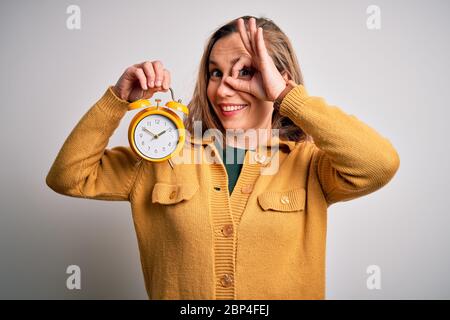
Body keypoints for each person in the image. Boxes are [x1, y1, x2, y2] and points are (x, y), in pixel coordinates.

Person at [46, 15, 400, 299]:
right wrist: (117, 100)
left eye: (245, 71)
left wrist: (287, 97)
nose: (223, 87)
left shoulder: (311, 165)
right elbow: (68, 176)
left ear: (278, 78)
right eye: (215, 72)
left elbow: (379, 163)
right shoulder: (164, 156)